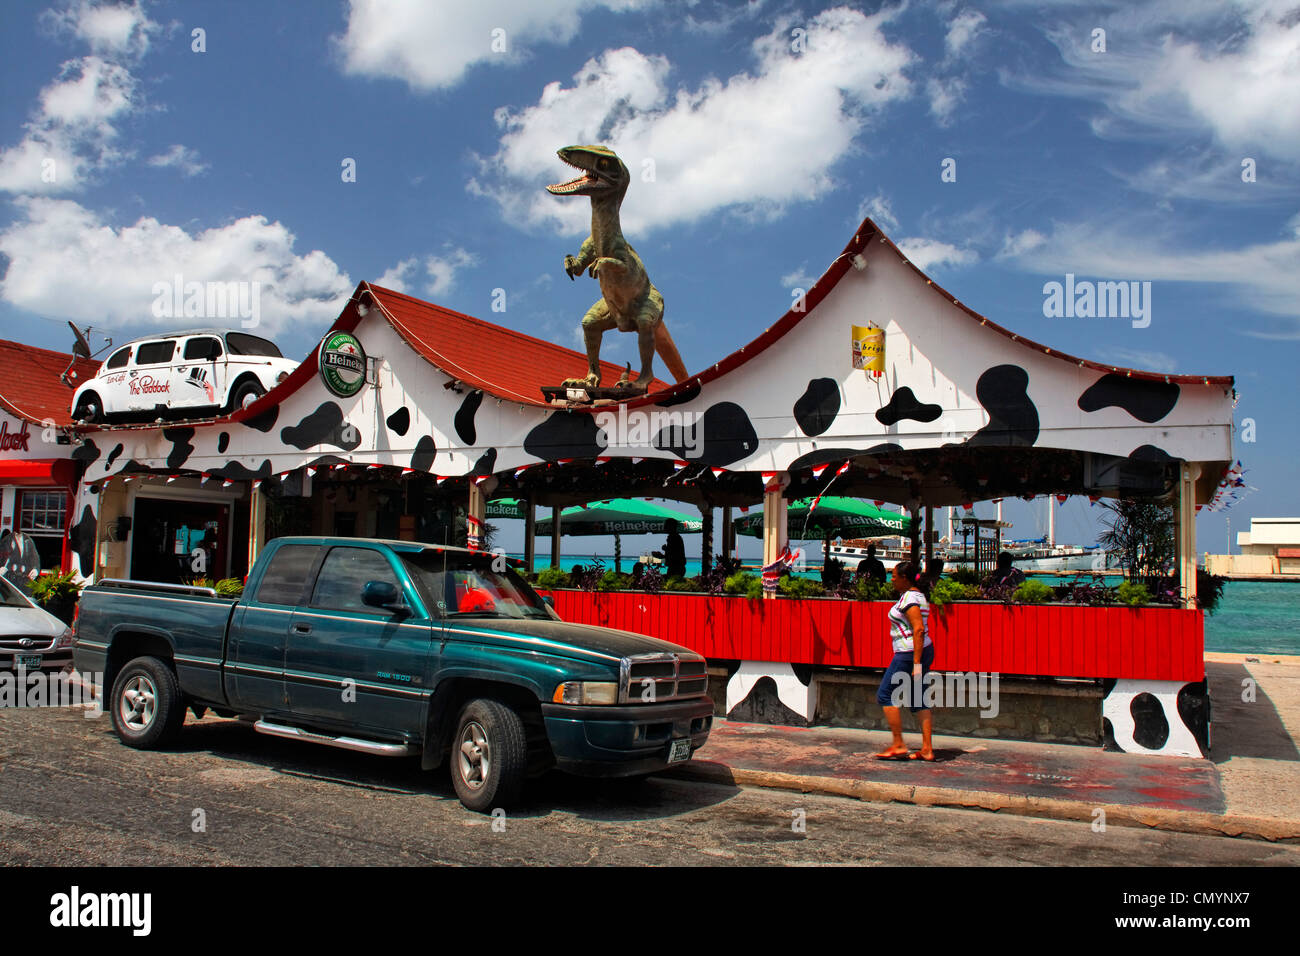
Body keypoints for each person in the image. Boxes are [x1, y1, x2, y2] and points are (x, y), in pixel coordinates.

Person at [873, 561, 935, 761]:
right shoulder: (918, 595)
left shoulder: (909, 598)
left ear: (904, 579)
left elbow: (918, 629)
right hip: (921, 650)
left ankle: (898, 743)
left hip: (908, 653)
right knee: (919, 698)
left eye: (894, 576)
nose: (891, 580)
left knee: (884, 694)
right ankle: (926, 749)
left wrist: (916, 663)